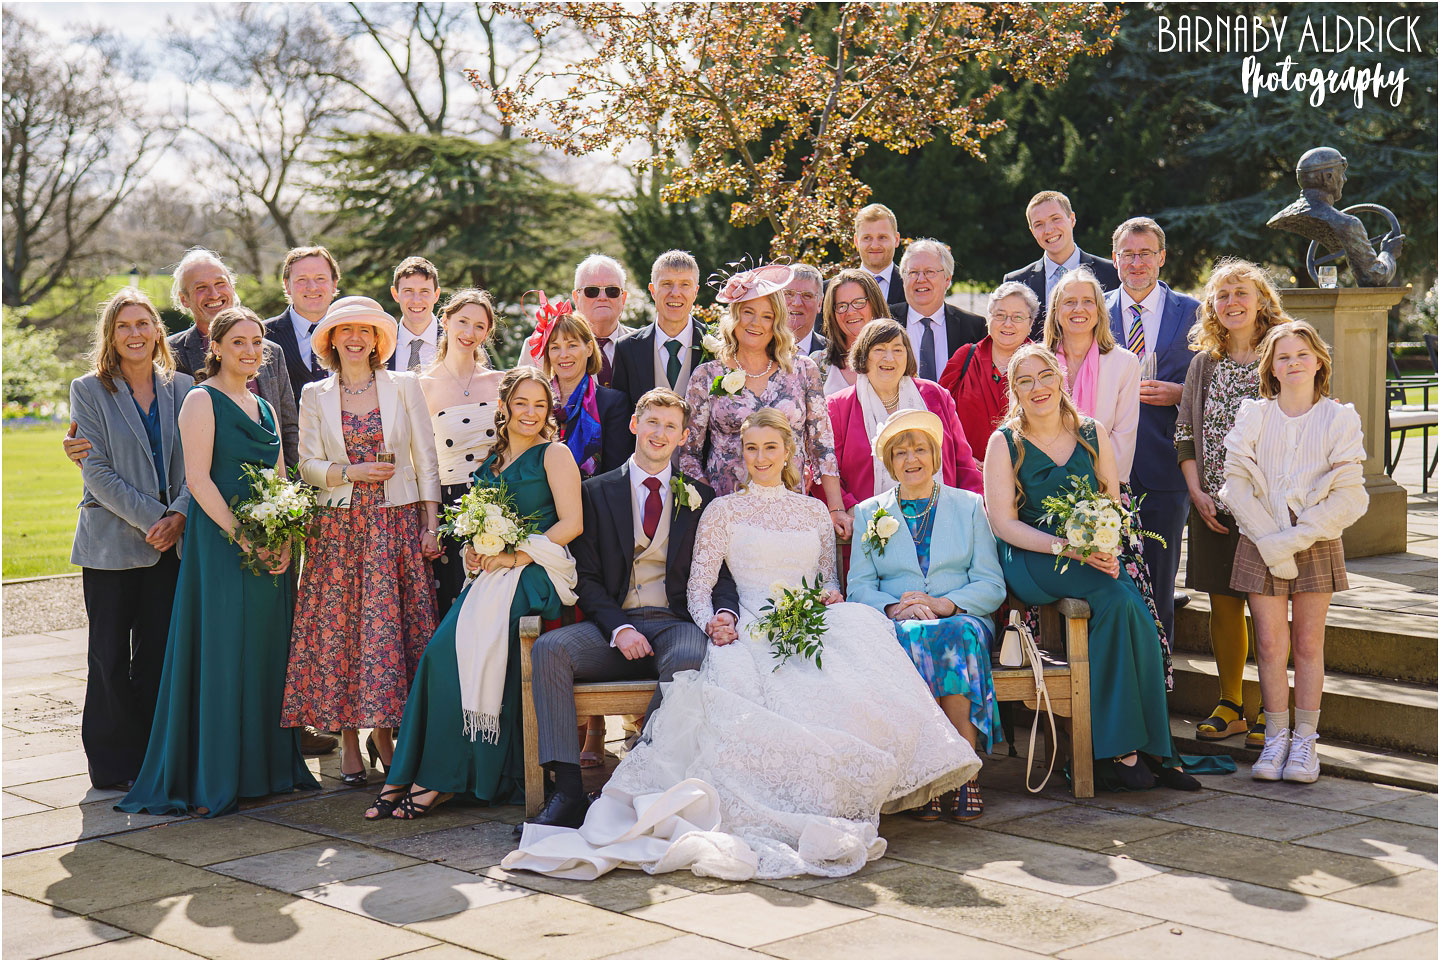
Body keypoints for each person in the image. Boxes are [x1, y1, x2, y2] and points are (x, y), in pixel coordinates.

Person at [505, 409, 981, 880]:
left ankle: (865, 789)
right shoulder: (722, 509)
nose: (760, 457)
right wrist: (716, 621)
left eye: (770, 447)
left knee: (857, 650)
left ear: (788, 451)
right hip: (747, 623)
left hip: (808, 622)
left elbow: (827, 582)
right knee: (741, 680)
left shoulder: (814, 511)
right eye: (751, 448)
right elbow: (701, 586)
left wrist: (828, 598)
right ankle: (573, 790)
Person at [118, 307, 320, 817]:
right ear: (217, 348)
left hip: (269, 544)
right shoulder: (200, 399)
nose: (250, 351)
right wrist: (245, 539)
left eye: (256, 343)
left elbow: (279, 478)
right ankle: (219, 772)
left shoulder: (264, 406)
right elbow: (199, 480)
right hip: (223, 542)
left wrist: (284, 538)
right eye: (238, 343)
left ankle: (267, 769)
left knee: (267, 651)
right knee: (225, 650)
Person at [365, 367, 583, 821]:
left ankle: (440, 780)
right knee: (438, 654)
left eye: (539, 405)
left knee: (462, 653)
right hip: (490, 576)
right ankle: (407, 774)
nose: (530, 413)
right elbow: (479, 525)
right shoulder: (492, 460)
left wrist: (516, 556)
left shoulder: (555, 454)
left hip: (534, 573)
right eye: (521, 403)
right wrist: (473, 550)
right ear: (503, 406)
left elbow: (571, 524)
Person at [984, 344, 1199, 793]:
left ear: (1060, 377)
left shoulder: (1092, 432)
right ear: (1014, 391)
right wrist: (1067, 548)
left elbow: (1112, 504)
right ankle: (1124, 749)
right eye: (1025, 381)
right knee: (1119, 599)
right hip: (1034, 556)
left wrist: (1105, 544)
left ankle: (1146, 748)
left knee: (1136, 611)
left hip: (1088, 553)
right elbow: (1003, 524)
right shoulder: (1004, 443)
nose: (1038, 387)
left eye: (1045, 376)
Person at [522, 388, 739, 829]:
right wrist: (619, 628)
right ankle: (567, 791)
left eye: (671, 427)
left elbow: (722, 574)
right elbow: (586, 577)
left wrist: (725, 614)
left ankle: (634, 776)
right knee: (549, 649)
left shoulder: (701, 497)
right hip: (613, 627)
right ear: (635, 425)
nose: (660, 433)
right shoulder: (596, 492)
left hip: (675, 621)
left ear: (683, 437)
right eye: (652, 422)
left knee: (690, 657)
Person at [281, 296, 441, 786]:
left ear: (377, 341)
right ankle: (349, 739)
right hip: (337, 530)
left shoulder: (404, 385)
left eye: (365, 331)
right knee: (342, 634)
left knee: (391, 634)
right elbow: (306, 464)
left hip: (395, 526)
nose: (355, 338)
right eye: (345, 330)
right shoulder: (315, 394)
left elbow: (426, 457)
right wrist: (349, 472)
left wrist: (431, 524)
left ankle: (385, 735)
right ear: (331, 340)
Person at [1222, 321, 1368, 783]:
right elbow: (1235, 486)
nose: (1293, 363)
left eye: (1302, 354)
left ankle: (1305, 741)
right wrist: (1269, 540)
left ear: (1320, 361)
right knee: (1269, 644)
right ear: (1271, 368)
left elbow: (1350, 495)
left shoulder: (1338, 419)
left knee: (1307, 643)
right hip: (1258, 535)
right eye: (1283, 357)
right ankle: (1275, 738)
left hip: (1315, 538)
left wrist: (1289, 543)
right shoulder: (1254, 415)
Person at [848, 409, 1005, 820]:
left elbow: (991, 584)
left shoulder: (970, 506)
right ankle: (928, 774)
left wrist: (945, 604)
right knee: (912, 635)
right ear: (890, 463)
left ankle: (965, 772)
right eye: (900, 452)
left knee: (952, 634)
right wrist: (895, 607)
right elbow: (858, 587)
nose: (911, 459)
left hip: (961, 618)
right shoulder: (869, 513)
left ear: (935, 456)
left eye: (919, 449)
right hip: (901, 622)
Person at [70, 288, 191, 791]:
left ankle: (152, 759)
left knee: (159, 655)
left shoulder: (184, 387)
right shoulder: (88, 390)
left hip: (173, 543)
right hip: (112, 544)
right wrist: (156, 518)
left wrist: (180, 514)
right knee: (109, 657)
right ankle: (113, 765)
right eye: (124, 326)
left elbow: (197, 462)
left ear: (158, 331)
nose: (135, 333)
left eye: (143, 323)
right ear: (111, 335)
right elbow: (94, 470)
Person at [1175, 259, 1283, 745]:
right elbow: (1185, 433)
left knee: (1268, 609)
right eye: (1223, 295)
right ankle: (1232, 703)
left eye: (1242, 293)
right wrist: (1196, 491)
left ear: (1261, 300)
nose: (1232, 302)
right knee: (1223, 603)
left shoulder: (1282, 352)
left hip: (1270, 508)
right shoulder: (1204, 363)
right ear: (1212, 306)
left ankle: (1271, 707)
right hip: (1213, 506)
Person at [66, 249, 299, 473]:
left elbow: (288, 429)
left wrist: (289, 492)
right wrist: (83, 440)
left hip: (271, 488)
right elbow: (139, 419)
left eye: (220, 284)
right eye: (201, 288)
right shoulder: (169, 354)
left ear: (232, 288)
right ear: (184, 299)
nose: (214, 294)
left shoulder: (269, 352)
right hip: (204, 488)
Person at [681, 264, 846, 535]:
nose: (756, 323)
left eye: (767, 316)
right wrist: (709, 503)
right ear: (735, 315)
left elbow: (822, 446)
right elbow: (689, 453)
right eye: (748, 312)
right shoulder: (707, 375)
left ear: (776, 322)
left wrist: (836, 508)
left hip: (789, 511)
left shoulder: (803, 370)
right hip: (727, 513)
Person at [1105, 217, 1199, 647]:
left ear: (1161, 257)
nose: (1137, 262)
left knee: (1161, 580)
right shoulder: (1092, 309)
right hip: (1104, 468)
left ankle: (1160, 670)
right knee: (1109, 579)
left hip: (1167, 464)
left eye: (1145, 253)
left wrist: (1180, 393)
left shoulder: (1194, 312)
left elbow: (1213, 379)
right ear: (1115, 259)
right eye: (1128, 254)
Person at [823, 319, 983, 531]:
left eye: (898, 349)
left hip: (943, 524)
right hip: (868, 527)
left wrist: (972, 512)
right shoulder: (837, 406)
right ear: (863, 355)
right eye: (879, 349)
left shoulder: (936, 396)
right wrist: (853, 511)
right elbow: (826, 469)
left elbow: (963, 464)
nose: (889, 358)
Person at [418, 289, 505, 619]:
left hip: (497, 502)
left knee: (493, 606)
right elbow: (422, 463)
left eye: (479, 326)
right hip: (448, 506)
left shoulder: (501, 382)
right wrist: (430, 524)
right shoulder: (421, 385)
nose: (470, 332)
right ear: (445, 321)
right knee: (454, 607)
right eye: (463, 322)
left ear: (487, 332)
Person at [1266, 147, 1403, 288]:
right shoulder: (1347, 224)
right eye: (1341, 174)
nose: (1345, 179)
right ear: (1328, 177)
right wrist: (1388, 253)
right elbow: (1374, 278)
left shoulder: (1283, 215)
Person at [940, 281, 1038, 467]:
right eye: (1000, 315)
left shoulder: (1042, 364)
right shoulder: (965, 357)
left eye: (1017, 317)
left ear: (1030, 323)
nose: (1007, 324)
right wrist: (964, 457)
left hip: (1025, 472)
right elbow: (939, 415)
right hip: (967, 471)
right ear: (988, 318)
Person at [533, 303, 633, 477]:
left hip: (593, 493)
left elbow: (615, 473)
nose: (564, 355)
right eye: (555, 347)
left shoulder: (613, 404)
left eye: (572, 345)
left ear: (588, 349)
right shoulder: (536, 399)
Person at [1003, 190, 1120, 337]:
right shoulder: (1016, 282)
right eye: (1039, 224)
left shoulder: (1112, 273)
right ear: (1032, 232)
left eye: (1055, 219)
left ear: (1072, 219)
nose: (1049, 230)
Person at [612, 250, 709, 409]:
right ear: (652, 291)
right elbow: (621, 414)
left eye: (685, 284)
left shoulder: (719, 346)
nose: (675, 293)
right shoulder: (626, 348)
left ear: (695, 292)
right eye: (667, 284)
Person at [898, 239, 985, 383]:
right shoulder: (883, 320)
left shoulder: (974, 327)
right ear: (903, 279)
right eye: (913, 272)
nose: (921, 279)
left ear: (947, 279)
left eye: (929, 272)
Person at [264, 246, 340, 403]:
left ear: (334, 284)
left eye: (320, 278)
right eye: (301, 279)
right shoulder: (262, 336)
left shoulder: (354, 332)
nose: (312, 287)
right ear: (287, 285)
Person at [815, 269, 890, 396]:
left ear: (875, 304)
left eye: (859, 302)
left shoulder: (898, 358)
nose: (850, 312)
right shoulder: (818, 363)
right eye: (842, 306)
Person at [571, 254, 632, 387]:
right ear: (576, 298)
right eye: (592, 291)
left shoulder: (645, 346)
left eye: (612, 290)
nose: (602, 297)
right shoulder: (542, 349)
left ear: (623, 298)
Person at [388, 256, 445, 373]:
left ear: (436, 295)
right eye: (408, 291)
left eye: (424, 291)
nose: (416, 300)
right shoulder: (381, 346)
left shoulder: (458, 343)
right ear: (395, 294)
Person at [851, 202, 908, 315]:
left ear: (896, 240)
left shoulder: (912, 286)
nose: (875, 246)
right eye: (867, 238)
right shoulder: (833, 290)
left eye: (882, 237)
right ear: (856, 241)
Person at [783, 263, 826, 356]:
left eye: (807, 295)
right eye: (789, 294)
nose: (797, 303)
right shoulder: (757, 348)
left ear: (819, 303)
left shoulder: (834, 355)